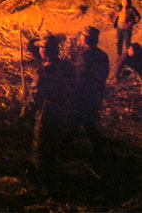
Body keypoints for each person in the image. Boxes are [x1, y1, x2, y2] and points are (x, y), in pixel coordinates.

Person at [24, 34, 76, 186]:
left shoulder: (44, 71)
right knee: (53, 146)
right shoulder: (67, 67)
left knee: (40, 148)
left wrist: (24, 114)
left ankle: (44, 183)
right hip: (62, 111)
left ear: (45, 51)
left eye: (41, 48)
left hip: (46, 114)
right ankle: (52, 175)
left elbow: (35, 98)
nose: (39, 50)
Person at [74, 26, 109, 157]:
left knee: (85, 121)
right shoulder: (102, 55)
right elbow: (104, 75)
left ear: (85, 39)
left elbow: (80, 77)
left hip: (84, 94)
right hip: (97, 93)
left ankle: (98, 151)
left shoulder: (84, 56)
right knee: (86, 119)